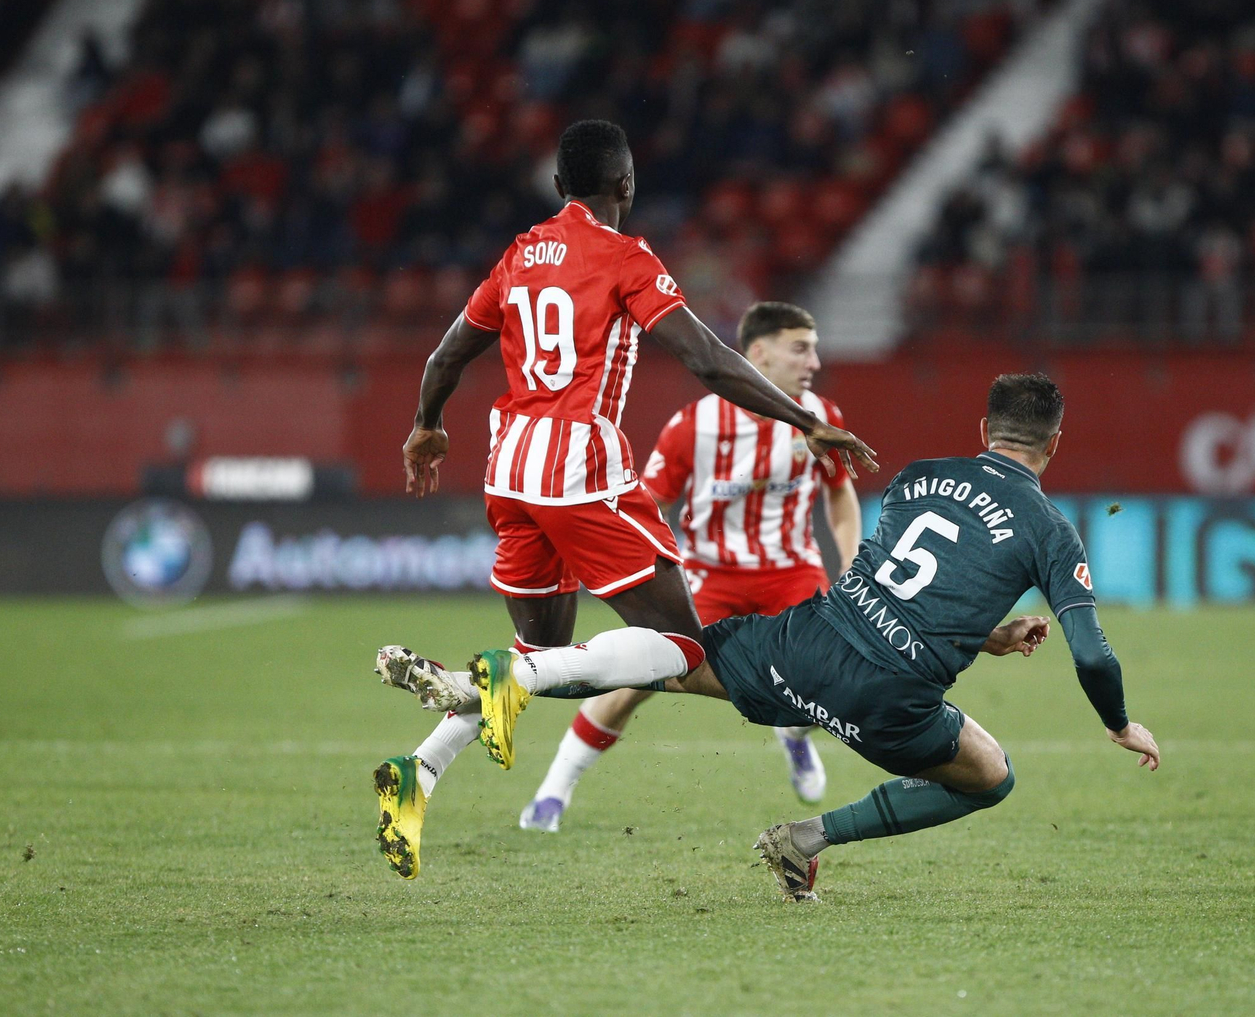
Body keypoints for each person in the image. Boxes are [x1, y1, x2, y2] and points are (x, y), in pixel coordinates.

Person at [382, 373, 1161, 900]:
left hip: (806, 642)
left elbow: (889, 579)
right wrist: (1119, 724)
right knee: (990, 777)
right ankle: (805, 838)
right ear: (1053, 444)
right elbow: (1091, 652)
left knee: (672, 662)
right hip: (889, 695)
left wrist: (981, 636)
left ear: (983, 428)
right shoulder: (1051, 531)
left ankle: (502, 684)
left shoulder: (920, 475)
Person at [371, 119, 876, 880]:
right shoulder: (625, 256)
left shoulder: (518, 253)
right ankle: (501, 681)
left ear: (556, 187)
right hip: (580, 468)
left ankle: (419, 775)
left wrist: (426, 427)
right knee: (684, 650)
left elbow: (447, 355)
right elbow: (705, 358)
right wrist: (806, 419)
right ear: (626, 186)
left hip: (508, 470)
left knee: (541, 657)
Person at [518, 300, 862, 833]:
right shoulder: (694, 427)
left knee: (822, 680)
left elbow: (839, 494)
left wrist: (850, 559)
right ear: (759, 355)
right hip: (708, 575)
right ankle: (553, 792)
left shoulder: (822, 419)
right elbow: (649, 501)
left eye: (814, 349)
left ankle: (794, 739)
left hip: (791, 572)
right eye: (801, 349)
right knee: (633, 680)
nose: (813, 362)